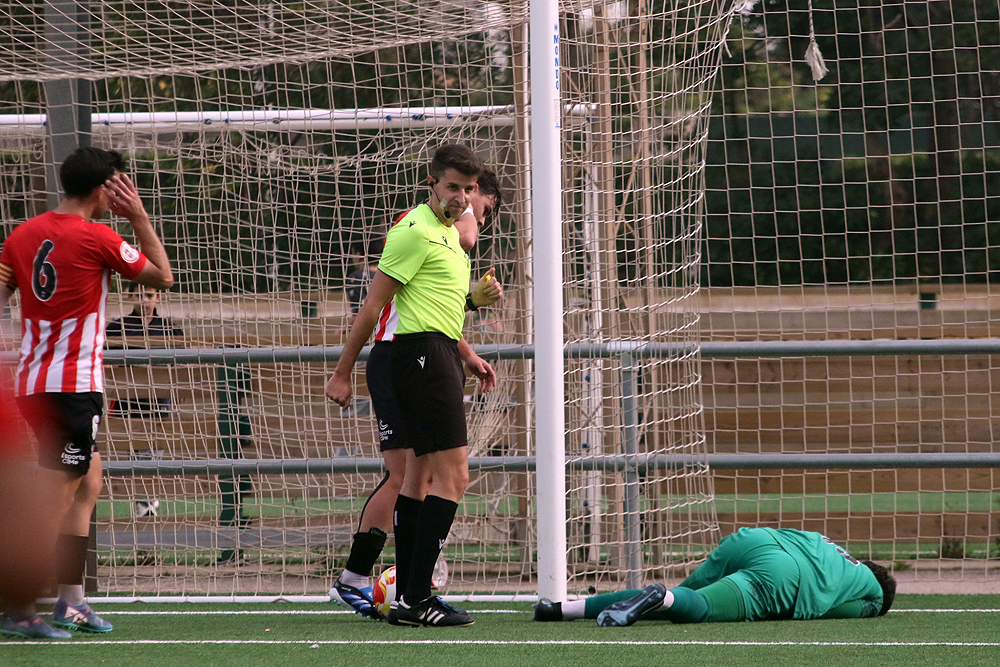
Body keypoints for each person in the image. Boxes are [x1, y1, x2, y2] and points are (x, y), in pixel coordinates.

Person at [0, 146, 174, 639]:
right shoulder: (97, 237)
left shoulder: (22, 235)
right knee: (57, 495)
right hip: (72, 385)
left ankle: (71, 601)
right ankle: (20, 607)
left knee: (88, 481)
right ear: (104, 189)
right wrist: (139, 217)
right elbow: (162, 276)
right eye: (119, 185)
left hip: (33, 382)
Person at [326, 144, 497, 627]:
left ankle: (408, 596)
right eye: (452, 187)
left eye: (468, 189)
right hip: (419, 355)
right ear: (431, 185)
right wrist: (342, 371)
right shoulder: (415, 229)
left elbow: (437, 305)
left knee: (418, 477)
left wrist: (467, 347)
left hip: (434, 352)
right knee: (453, 477)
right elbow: (372, 307)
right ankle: (415, 594)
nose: (461, 197)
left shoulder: (446, 236)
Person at [533, 527, 897, 627]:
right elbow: (833, 611)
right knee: (698, 607)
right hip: (782, 575)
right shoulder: (874, 595)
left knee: (681, 596)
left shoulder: (834, 549)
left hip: (754, 539)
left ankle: (559, 609)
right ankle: (663, 596)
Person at [105, 281, 183, 338]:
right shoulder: (117, 328)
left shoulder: (170, 329)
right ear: (130, 296)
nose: (144, 300)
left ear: (158, 297)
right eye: (139, 295)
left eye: (149, 295)